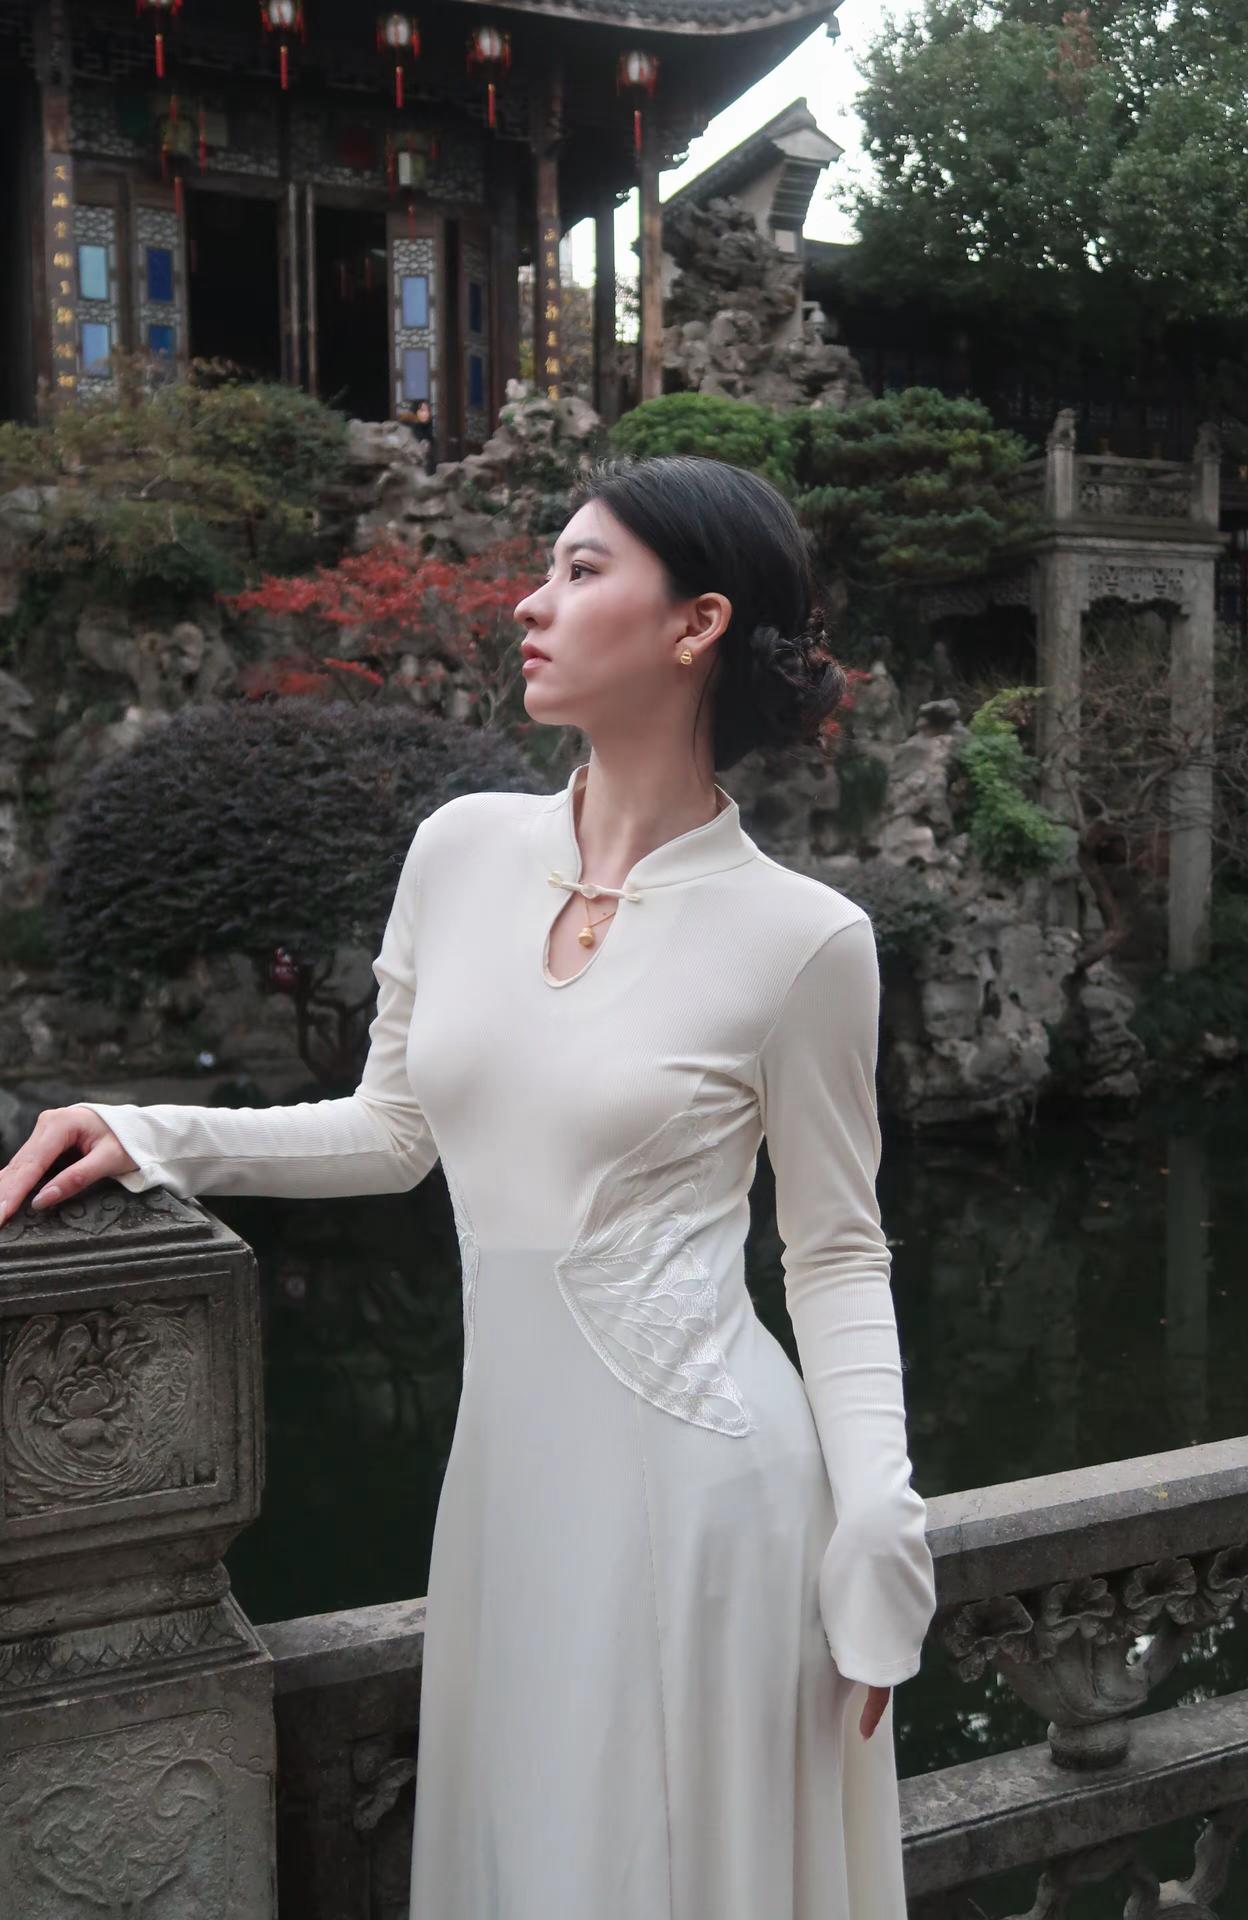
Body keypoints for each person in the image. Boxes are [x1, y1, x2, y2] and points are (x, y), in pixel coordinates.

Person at [0, 453, 936, 1920]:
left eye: (581, 570)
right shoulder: (461, 851)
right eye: (545, 566)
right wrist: (158, 1133)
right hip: (507, 1494)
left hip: (714, 1502)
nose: (528, 603)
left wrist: (878, 1525)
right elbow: (394, 1130)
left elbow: (834, 1254)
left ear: (696, 624)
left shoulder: (804, 938)